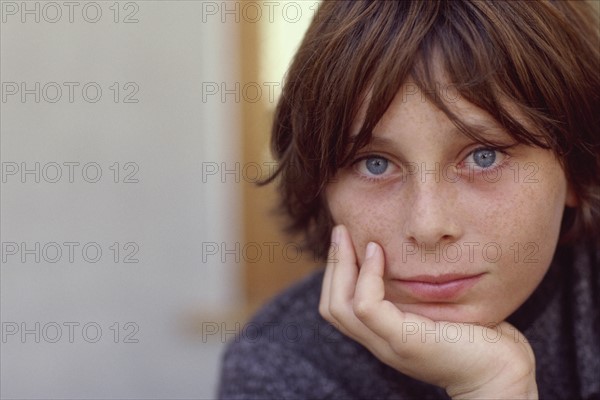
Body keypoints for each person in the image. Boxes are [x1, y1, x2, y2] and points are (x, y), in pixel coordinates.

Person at [218, 1, 599, 398]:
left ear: (576, 165)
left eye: (484, 156)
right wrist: (493, 384)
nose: (428, 226)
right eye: (376, 164)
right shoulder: (282, 368)